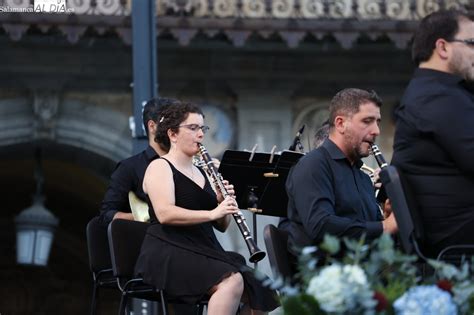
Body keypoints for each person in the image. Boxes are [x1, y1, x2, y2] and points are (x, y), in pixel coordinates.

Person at [134, 101, 278, 315]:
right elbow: (165, 214)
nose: (200, 134)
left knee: (261, 287)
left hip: (203, 247)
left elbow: (221, 225)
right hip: (169, 249)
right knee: (231, 281)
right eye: (193, 128)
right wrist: (213, 212)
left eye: (203, 128)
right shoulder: (159, 167)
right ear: (173, 134)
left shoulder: (204, 172)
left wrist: (222, 201)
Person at [391, 10, 474, 255]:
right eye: (471, 43)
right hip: (459, 244)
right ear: (443, 47)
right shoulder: (439, 97)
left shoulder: (434, 93)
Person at [285, 88, 398, 252]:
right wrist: (384, 227)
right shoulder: (312, 165)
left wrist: (387, 217)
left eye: (377, 122)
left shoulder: (363, 178)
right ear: (340, 123)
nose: (376, 131)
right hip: (323, 273)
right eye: (367, 121)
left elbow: (367, 232)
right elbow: (321, 226)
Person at [99, 97, 177, 226]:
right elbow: (106, 215)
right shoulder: (129, 168)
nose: (175, 130)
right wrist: (144, 216)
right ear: (152, 126)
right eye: (170, 124)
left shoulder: (189, 164)